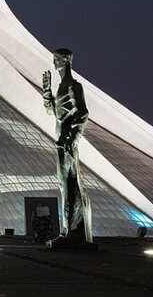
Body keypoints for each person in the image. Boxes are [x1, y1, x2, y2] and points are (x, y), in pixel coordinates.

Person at [42, 47, 93, 247]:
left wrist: (72, 137)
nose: (53, 62)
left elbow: (83, 113)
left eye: (56, 59)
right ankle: (69, 230)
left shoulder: (73, 86)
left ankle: (70, 232)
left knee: (69, 184)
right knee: (65, 185)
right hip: (61, 142)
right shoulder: (61, 86)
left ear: (65, 61)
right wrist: (47, 91)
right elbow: (52, 112)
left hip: (67, 143)